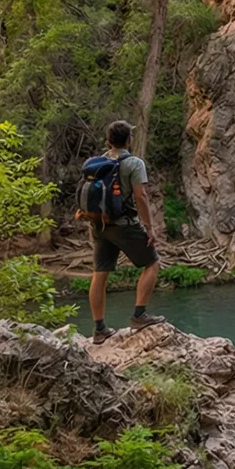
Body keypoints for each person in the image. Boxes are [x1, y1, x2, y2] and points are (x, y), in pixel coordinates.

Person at [87, 120, 167, 343]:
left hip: (100, 225)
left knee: (100, 274)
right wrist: (149, 228)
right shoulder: (134, 163)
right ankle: (139, 315)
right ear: (129, 141)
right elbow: (140, 196)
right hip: (125, 225)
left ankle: (99, 329)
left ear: (108, 141)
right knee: (152, 263)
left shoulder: (99, 162)